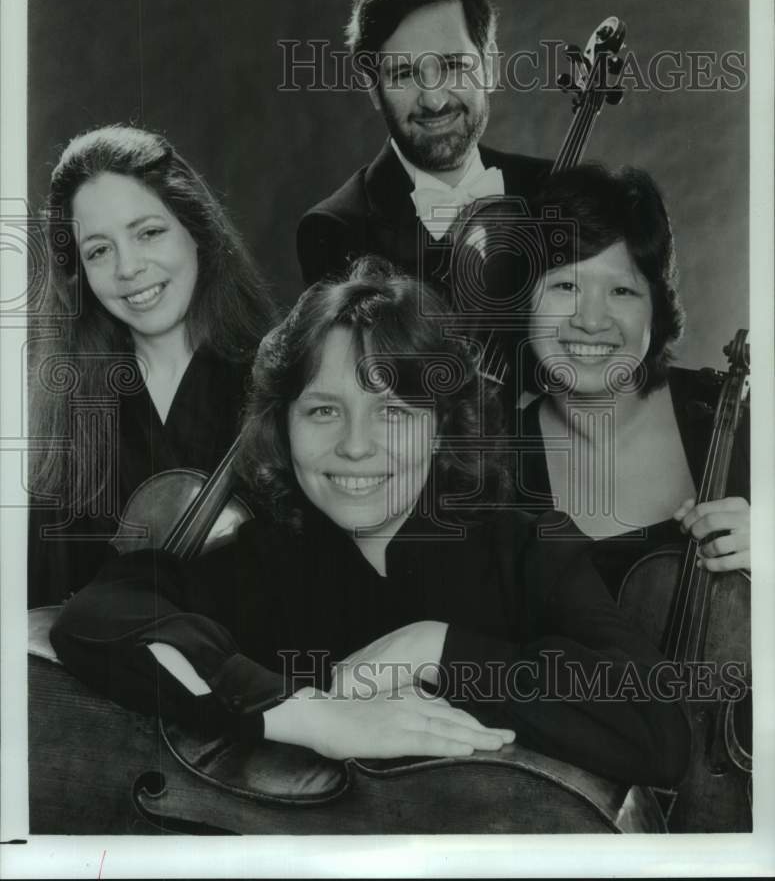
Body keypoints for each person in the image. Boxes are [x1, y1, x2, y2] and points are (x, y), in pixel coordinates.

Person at [52, 259, 690, 791]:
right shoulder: (263, 558)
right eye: (323, 410)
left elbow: (658, 731)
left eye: (392, 411)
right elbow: (96, 618)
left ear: (440, 426)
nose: (355, 447)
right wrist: (306, 714)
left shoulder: (524, 546)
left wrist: (435, 648)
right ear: (284, 425)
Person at [28, 125, 277, 606]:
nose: (128, 268)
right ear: (79, 272)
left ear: (196, 230)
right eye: (99, 251)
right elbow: (41, 604)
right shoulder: (65, 410)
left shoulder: (277, 381)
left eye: (149, 233)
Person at [513, 164, 750, 599]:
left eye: (621, 291)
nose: (589, 321)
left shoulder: (741, 425)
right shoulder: (493, 468)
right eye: (565, 285)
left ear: (656, 308)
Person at [296, 0, 551, 289]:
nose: (434, 100)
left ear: (490, 67)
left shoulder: (555, 188)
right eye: (404, 74)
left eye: (453, 66)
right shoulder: (336, 230)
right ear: (374, 89)